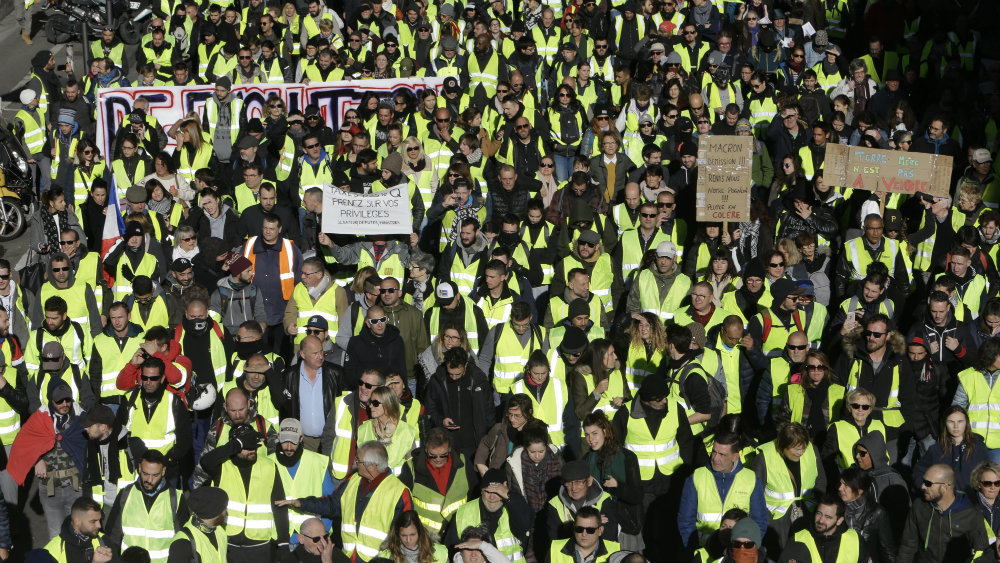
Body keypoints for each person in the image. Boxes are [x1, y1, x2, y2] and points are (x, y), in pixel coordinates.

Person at [280, 441, 414, 562]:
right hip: (348, 558)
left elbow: (406, 536)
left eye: (358, 460)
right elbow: (332, 505)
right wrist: (302, 503)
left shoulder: (399, 492)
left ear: (372, 466)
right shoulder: (353, 481)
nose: (355, 463)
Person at [678, 431, 768, 549]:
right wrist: (694, 550)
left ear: (735, 456)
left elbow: (759, 521)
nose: (715, 458)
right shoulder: (696, 477)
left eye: (722, 454)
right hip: (704, 549)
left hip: (738, 550)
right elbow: (685, 520)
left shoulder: (751, 479)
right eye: (714, 452)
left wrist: (747, 550)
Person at [898, 464, 996, 563]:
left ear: (945, 487)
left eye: (928, 483)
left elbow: (983, 552)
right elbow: (908, 546)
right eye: (923, 482)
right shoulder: (919, 506)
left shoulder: (971, 513)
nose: (923, 486)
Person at [104, 450, 183, 562]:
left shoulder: (176, 498)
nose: (149, 480)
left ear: (163, 471)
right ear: (139, 468)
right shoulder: (125, 494)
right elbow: (113, 537)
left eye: (155, 475)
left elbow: (182, 541)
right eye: (145, 474)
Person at [400, 428, 478, 536]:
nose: (438, 459)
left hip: (459, 531)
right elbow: (402, 503)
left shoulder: (463, 463)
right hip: (425, 536)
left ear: (449, 450)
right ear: (426, 450)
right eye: (433, 455)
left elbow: (474, 497)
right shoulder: (411, 468)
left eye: (443, 455)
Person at [444, 467, 532, 561]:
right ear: (481, 491)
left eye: (497, 491)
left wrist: (509, 495)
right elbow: (450, 546)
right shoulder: (464, 511)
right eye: (488, 491)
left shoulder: (514, 508)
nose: (492, 497)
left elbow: (526, 522)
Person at [425, 348, 495, 460]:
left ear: (466, 365)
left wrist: (488, 441)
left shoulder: (479, 381)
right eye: (450, 374)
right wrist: (441, 421)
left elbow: (489, 412)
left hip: (474, 445)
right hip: (447, 445)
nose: (453, 377)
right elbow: (430, 410)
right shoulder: (437, 381)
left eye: (457, 374)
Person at [912, 406, 989, 495]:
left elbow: (988, 476)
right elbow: (918, 471)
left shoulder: (978, 447)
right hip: (942, 501)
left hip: (971, 502)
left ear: (966, 423)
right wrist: (927, 488)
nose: (956, 426)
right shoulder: (936, 449)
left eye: (960, 421)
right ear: (945, 423)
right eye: (951, 422)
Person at [836, 466, 896, 563]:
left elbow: (887, 550)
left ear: (859, 490)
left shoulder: (877, 513)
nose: (840, 488)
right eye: (840, 484)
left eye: (845, 485)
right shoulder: (837, 509)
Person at [357, 386, 418, 474]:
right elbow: (359, 463)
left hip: (398, 483)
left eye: (375, 403)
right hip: (371, 484)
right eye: (370, 402)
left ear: (388, 404)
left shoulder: (407, 431)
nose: (370, 406)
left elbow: (412, 467)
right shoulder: (363, 429)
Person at [791, 494, 866, 563]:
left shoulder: (855, 540)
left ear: (839, 521)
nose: (821, 520)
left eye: (828, 517)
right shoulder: (798, 539)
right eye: (819, 513)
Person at [474, 394, 535, 474]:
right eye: (510, 414)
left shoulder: (538, 432)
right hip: (497, 479)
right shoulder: (499, 428)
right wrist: (479, 462)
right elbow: (485, 443)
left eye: (517, 415)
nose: (512, 419)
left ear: (529, 412)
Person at [167, 486, 229, 563]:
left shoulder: (220, 532)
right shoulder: (183, 544)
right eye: (224, 507)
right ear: (215, 511)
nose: (226, 510)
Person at [44, 497, 113, 563]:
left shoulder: (104, 540)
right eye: (93, 521)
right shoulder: (51, 551)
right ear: (77, 521)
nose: (99, 525)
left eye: (99, 520)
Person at [548, 506, 620, 563]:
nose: (584, 534)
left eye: (590, 530)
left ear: (600, 530)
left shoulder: (615, 552)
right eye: (579, 529)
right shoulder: (555, 549)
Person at [380, 510, 449, 563]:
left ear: (420, 532)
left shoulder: (440, 553)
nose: (408, 540)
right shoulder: (386, 556)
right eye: (404, 535)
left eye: (412, 534)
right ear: (397, 534)